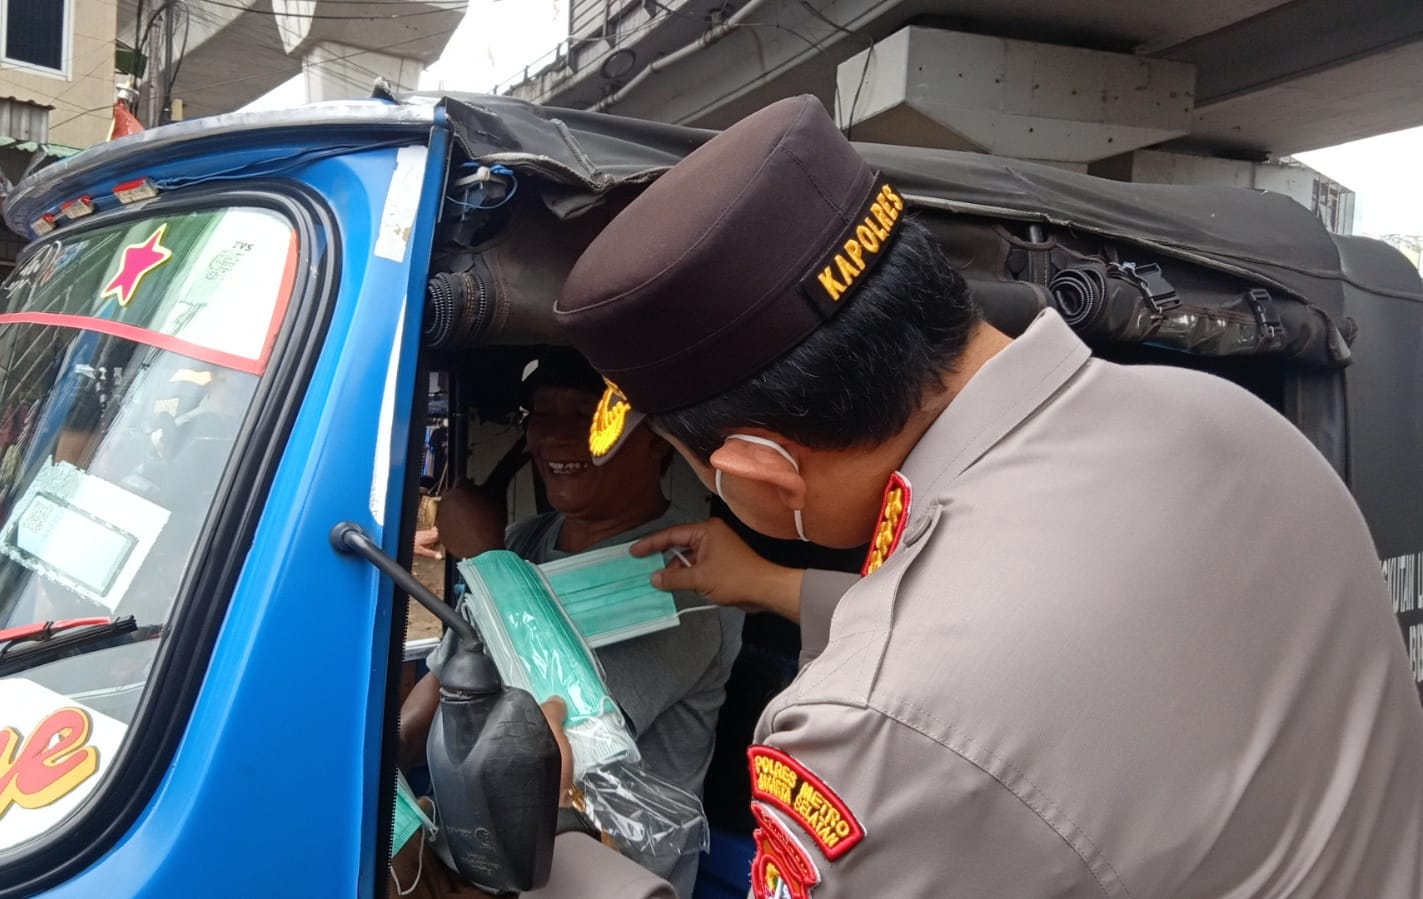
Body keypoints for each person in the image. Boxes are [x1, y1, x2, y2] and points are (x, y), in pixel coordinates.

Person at [527, 95, 1423, 897]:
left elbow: (956, 680)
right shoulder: (1224, 416)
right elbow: (1064, 633)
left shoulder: (874, 729)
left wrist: (554, 834)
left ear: (763, 468)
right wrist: (768, 582)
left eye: (702, 467)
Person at [397, 348, 743, 897]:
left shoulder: (687, 575)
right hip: (477, 848)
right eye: (542, 415)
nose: (556, 436)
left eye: (584, 415)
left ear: (655, 439)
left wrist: (485, 562)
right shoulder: (524, 543)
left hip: (594, 869)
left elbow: (548, 741)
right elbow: (432, 705)